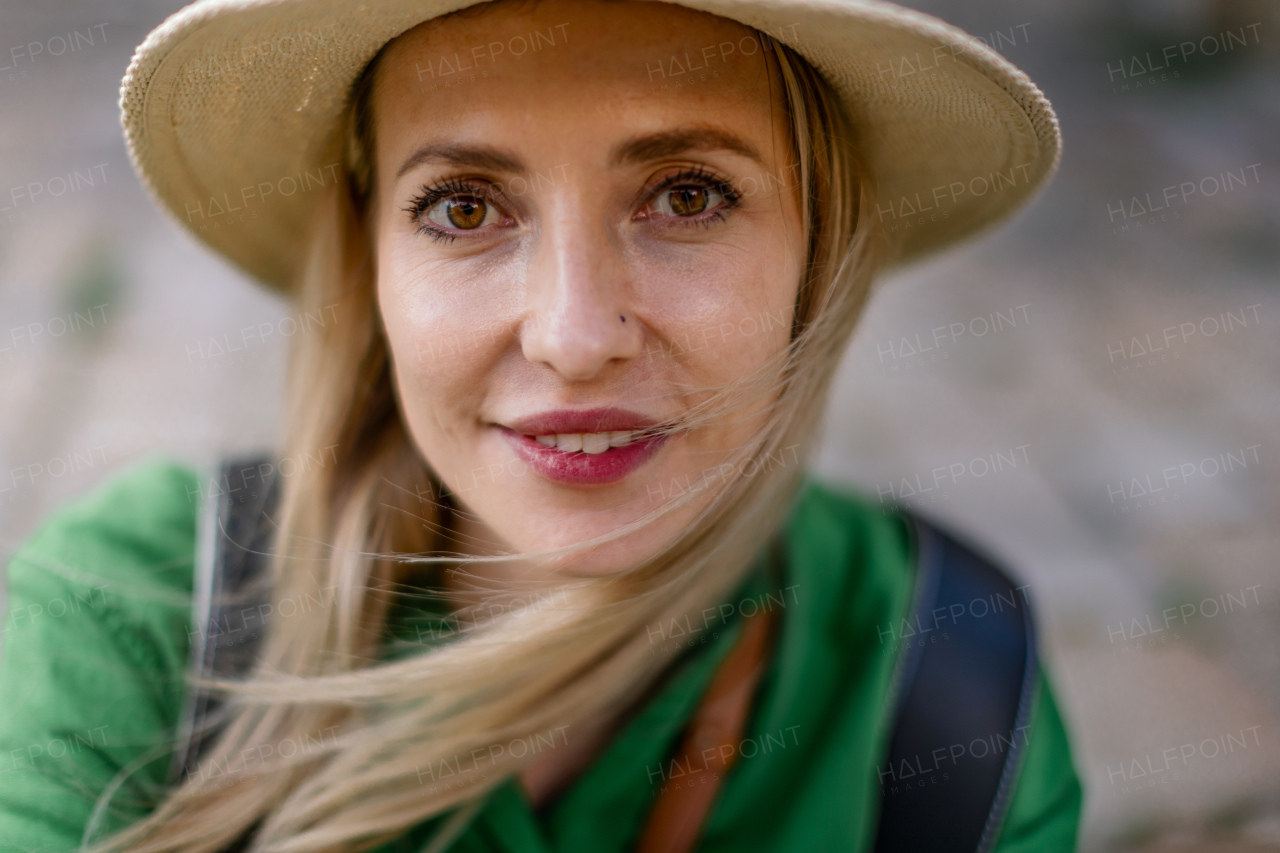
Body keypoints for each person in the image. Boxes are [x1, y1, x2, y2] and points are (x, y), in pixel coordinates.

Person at [0, 0, 1081, 850]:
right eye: (463, 207)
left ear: (817, 250)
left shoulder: (945, 680)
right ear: (369, 259)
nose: (573, 336)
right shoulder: (136, 614)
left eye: (689, 196)